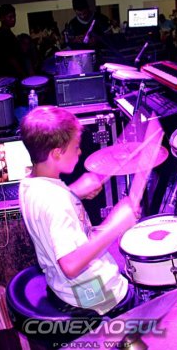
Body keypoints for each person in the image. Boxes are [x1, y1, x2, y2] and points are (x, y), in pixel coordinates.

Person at [19, 106, 138, 316]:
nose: (80, 152)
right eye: (76, 147)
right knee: (144, 298)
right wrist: (116, 226)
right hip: (95, 298)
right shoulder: (57, 202)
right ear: (57, 153)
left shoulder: (29, 184)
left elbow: (46, 210)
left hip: (62, 289)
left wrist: (73, 193)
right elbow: (71, 266)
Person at [0, 4, 28, 80]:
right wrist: (22, 73)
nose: (13, 19)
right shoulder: (4, 34)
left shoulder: (6, 32)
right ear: (2, 18)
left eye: (14, 16)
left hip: (11, 73)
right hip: (10, 74)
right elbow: (11, 58)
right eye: (10, 17)